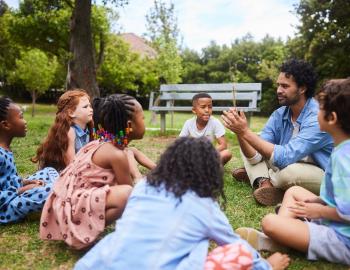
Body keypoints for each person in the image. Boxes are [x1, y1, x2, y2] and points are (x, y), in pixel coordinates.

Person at [74, 137, 290, 270]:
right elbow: (234, 245)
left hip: (103, 262)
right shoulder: (205, 208)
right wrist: (265, 266)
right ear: (209, 174)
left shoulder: (142, 187)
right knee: (237, 253)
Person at [236, 78, 350, 266]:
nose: (316, 112)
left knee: (270, 223)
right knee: (294, 192)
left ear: (332, 118)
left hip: (342, 238)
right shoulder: (342, 149)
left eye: (320, 108)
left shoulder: (344, 157)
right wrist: (319, 202)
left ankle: (277, 238)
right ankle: (282, 237)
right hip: (333, 221)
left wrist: (319, 210)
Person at [39, 94, 151, 250]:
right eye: (143, 118)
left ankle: (84, 227)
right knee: (127, 194)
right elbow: (131, 199)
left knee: (126, 192)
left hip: (68, 203)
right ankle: (82, 233)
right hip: (71, 208)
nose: (144, 122)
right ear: (130, 125)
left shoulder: (103, 143)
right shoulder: (116, 154)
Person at [222, 59, 333, 206]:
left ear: (302, 88)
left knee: (288, 173)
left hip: (322, 173)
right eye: (278, 85)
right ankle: (265, 184)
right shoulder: (279, 114)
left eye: (285, 86)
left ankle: (258, 177)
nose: (278, 90)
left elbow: (285, 157)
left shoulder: (318, 116)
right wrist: (241, 133)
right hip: (285, 162)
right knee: (253, 142)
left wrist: (245, 132)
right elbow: (256, 156)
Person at [0, 97, 58, 224]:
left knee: (49, 171)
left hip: (14, 193)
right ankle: (58, 189)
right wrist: (21, 190)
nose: (25, 121)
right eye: (21, 117)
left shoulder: (5, 149)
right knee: (52, 190)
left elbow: (7, 180)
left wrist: (27, 182)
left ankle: (56, 187)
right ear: (5, 125)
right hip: (6, 208)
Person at [32, 89, 93, 172]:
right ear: (71, 113)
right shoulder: (70, 132)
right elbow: (71, 164)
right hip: (65, 174)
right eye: (85, 107)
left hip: (80, 170)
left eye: (90, 106)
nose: (91, 109)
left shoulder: (89, 130)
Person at [180, 93, 232, 164]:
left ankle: (204, 168)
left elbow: (223, 145)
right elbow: (180, 143)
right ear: (194, 110)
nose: (207, 110)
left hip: (209, 155)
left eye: (210, 107)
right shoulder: (188, 123)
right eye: (203, 107)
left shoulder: (215, 122)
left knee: (226, 153)